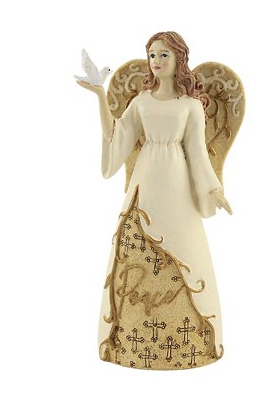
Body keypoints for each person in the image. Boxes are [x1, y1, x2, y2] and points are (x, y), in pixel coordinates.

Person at [77, 31, 232, 370]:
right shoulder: (142, 101)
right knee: (135, 238)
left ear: (179, 59)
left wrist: (213, 190)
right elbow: (117, 136)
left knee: (183, 247)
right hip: (145, 180)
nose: (157, 61)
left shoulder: (190, 106)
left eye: (164, 54)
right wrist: (101, 96)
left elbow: (197, 152)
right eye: (152, 55)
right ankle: (126, 341)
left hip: (177, 184)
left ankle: (191, 343)